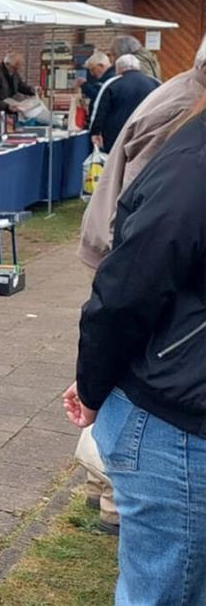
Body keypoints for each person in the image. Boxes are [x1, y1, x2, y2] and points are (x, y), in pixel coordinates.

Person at [63, 106, 206, 604]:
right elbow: (125, 293)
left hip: (175, 401)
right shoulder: (193, 162)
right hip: (175, 418)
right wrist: (94, 384)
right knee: (165, 590)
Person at [80, 35, 206, 267]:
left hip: (133, 251)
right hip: (131, 258)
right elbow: (142, 198)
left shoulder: (178, 90)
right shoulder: (184, 105)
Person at [89, 54, 160, 153]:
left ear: (119, 69)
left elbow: (101, 110)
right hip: (147, 133)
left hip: (117, 136)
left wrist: (95, 132)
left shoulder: (112, 84)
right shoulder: (155, 83)